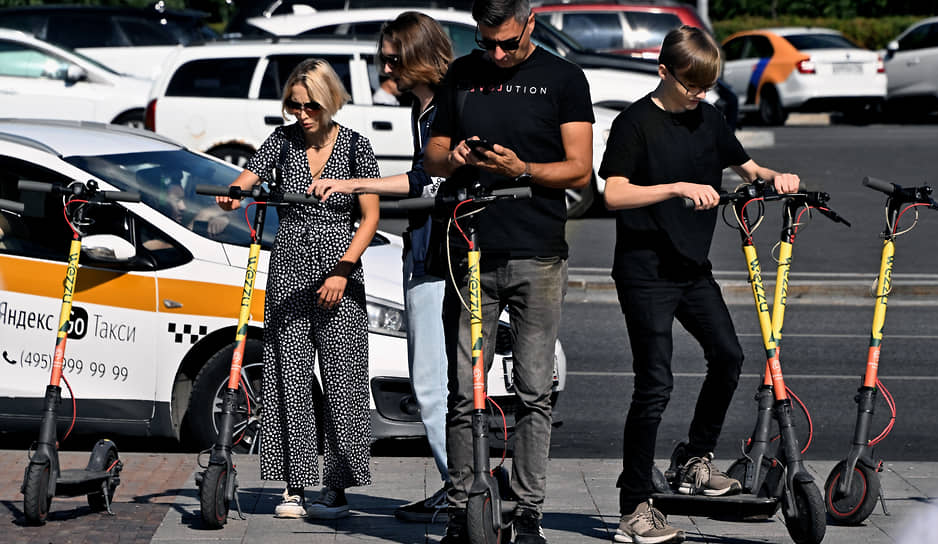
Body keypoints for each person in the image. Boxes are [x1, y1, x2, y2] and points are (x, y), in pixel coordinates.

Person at [598, 26, 801, 543]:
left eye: (707, 85)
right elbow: (614, 195)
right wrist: (676, 188)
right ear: (663, 71)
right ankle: (634, 508)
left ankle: (693, 458)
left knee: (729, 356)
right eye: (691, 85)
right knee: (655, 385)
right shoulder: (634, 123)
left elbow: (750, 167)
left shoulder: (710, 118)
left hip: (691, 269)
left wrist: (777, 178)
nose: (700, 95)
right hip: (644, 272)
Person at [423, 1, 594, 542]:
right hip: (468, 246)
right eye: (486, 43)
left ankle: (526, 513)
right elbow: (432, 154)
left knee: (533, 388)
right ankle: (462, 508)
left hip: (536, 250)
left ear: (530, 27)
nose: (497, 54)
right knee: (462, 389)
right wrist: (458, 160)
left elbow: (580, 168)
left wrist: (522, 169)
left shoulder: (563, 78)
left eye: (508, 44)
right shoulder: (462, 75)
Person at [215, 58, 380, 521]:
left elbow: (369, 217)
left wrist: (343, 269)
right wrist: (234, 191)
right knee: (288, 375)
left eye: (310, 105)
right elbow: (247, 178)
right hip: (289, 268)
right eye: (294, 104)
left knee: (344, 379)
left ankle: (338, 484)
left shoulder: (355, 147)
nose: (301, 113)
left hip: (339, 272)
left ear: (329, 102)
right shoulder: (281, 142)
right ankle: (294, 485)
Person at [307, 11, 454, 523]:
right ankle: (463, 484)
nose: (382, 71)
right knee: (438, 385)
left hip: (442, 261)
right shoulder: (426, 108)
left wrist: (352, 185)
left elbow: (426, 183)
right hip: (431, 256)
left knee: (433, 388)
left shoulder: (445, 107)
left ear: (418, 56)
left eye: (392, 60)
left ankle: (465, 492)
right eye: (381, 60)